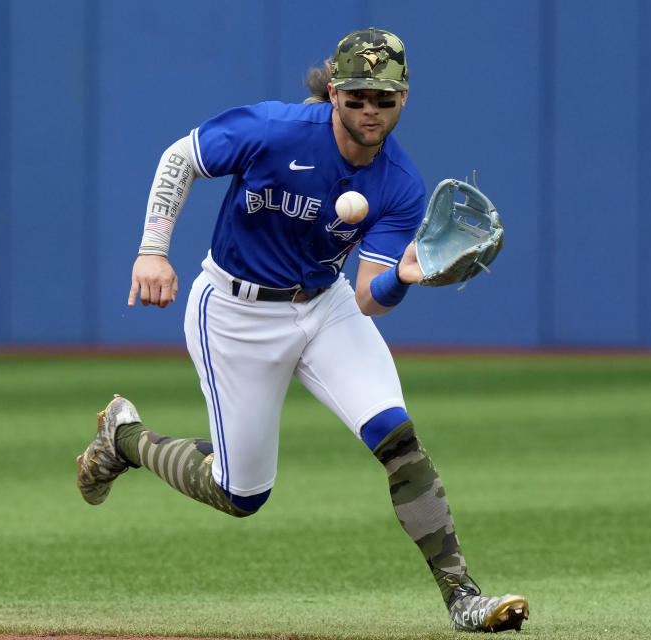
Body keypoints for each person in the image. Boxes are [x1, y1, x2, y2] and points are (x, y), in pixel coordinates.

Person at [76, 28, 529, 633]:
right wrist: (153, 250)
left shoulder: (398, 181)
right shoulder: (274, 129)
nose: (371, 110)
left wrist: (405, 276)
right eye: (359, 96)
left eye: (385, 98)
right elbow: (180, 158)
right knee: (241, 495)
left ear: (405, 98)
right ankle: (124, 438)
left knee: (399, 439)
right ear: (335, 91)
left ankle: (462, 598)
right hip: (235, 314)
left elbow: (369, 297)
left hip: (326, 306)